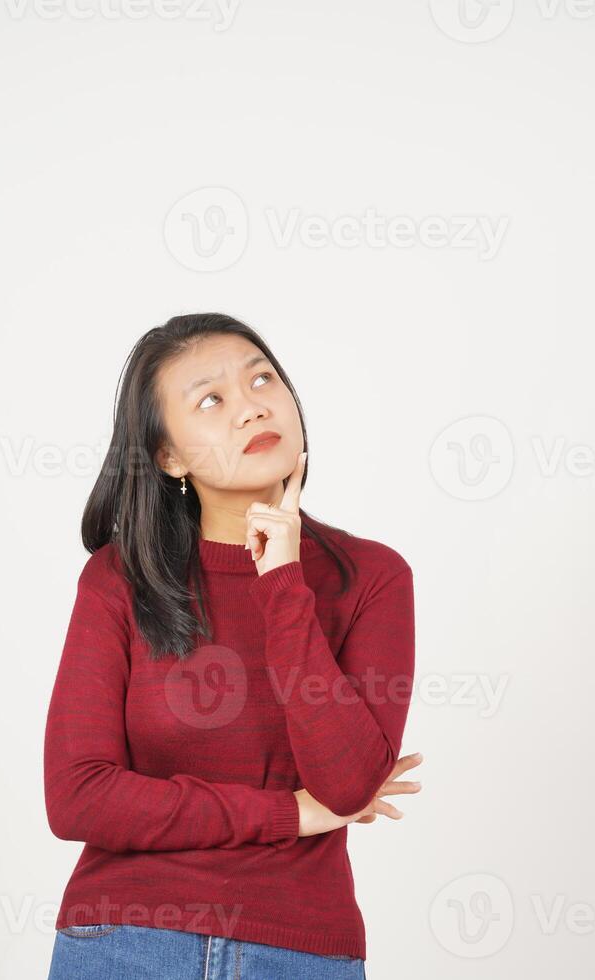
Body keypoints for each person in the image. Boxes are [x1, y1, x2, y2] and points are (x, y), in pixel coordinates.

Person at [44, 313, 422, 979]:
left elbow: (347, 782)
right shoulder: (119, 579)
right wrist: (287, 813)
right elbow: (79, 796)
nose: (251, 408)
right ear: (168, 457)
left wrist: (280, 577)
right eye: (211, 400)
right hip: (126, 942)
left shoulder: (371, 577)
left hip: (301, 948)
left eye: (262, 379)